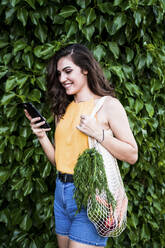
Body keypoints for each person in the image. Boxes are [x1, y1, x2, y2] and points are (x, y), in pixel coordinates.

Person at [24, 44, 138, 248]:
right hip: (62, 194)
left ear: (85, 69)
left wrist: (98, 133)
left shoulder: (108, 106)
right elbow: (59, 160)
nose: (62, 79)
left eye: (68, 71)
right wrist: (41, 136)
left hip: (92, 195)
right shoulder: (63, 110)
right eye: (59, 74)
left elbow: (132, 154)